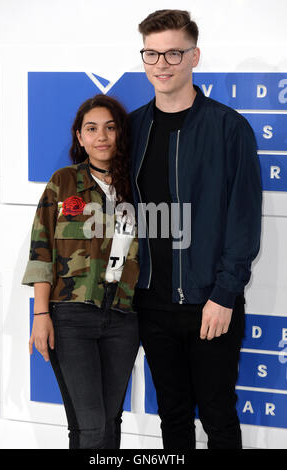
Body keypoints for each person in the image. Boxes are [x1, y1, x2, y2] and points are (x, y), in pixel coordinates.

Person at [130, 9, 262, 449]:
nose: (161, 64)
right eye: (152, 53)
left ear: (194, 56)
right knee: (172, 416)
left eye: (173, 53)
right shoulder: (133, 127)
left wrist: (225, 295)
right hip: (151, 304)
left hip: (210, 302)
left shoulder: (229, 128)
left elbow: (243, 220)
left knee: (219, 416)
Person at [22, 94, 140, 449]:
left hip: (123, 318)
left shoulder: (136, 186)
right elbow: (41, 250)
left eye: (110, 127)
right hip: (70, 316)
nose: (101, 136)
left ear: (120, 134)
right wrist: (40, 314)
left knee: (109, 422)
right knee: (91, 427)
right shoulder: (64, 182)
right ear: (80, 137)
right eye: (92, 129)